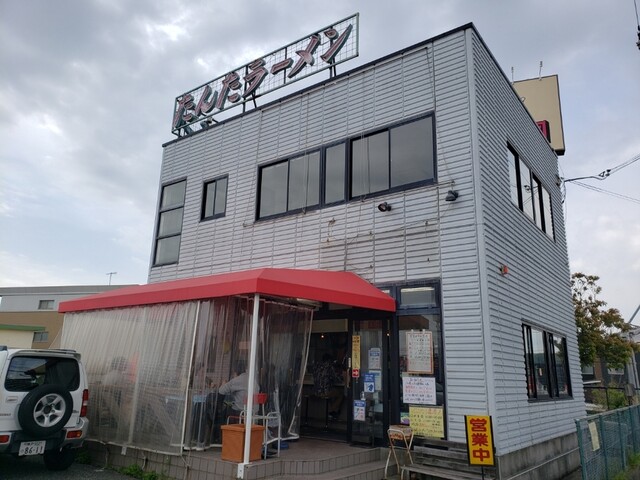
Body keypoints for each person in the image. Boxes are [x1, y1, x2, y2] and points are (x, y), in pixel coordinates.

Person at [310, 353, 344, 420]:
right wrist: (342, 377)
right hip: (325, 391)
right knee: (341, 394)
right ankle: (331, 411)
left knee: (332, 394)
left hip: (315, 391)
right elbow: (337, 378)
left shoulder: (316, 366)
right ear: (329, 360)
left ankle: (332, 412)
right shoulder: (329, 366)